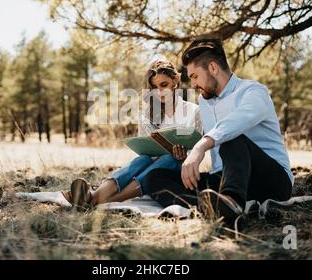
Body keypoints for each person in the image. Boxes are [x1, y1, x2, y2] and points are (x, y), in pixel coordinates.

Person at [143, 39, 294, 226]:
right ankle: (209, 209)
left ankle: (231, 202)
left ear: (213, 68)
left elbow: (235, 123)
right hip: (224, 178)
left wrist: (202, 145)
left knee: (232, 139)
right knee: (154, 178)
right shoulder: (204, 102)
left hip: (271, 180)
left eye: (195, 76)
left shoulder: (253, 92)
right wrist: (184, 152)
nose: (192, 84)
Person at [64, 59, 202, 211]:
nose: (159, 92)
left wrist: (184, 156)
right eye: (154, 88)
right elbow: (146, 152)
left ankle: (101, 201)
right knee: (142, 159)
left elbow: (198, 149)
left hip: (178, 169)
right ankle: (94, 197)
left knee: (169, 158)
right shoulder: (148, 115)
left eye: (164, 85)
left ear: (175, 80)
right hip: (151, 167)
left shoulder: (193, 111)